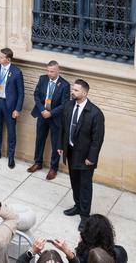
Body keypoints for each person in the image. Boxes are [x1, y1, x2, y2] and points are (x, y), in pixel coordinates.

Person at [58, 79, 105, 224]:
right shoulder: (68, 105)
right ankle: (78, 206)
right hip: (71, 152)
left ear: (85, 93)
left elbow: (97, 139)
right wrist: (61, 146)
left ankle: (85, 216)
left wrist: (91, 158)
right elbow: (63, 127)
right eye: (73, 89)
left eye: (76, 90)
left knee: (85, 186)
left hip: (85, 157)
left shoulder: (95, 113)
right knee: (74, 182)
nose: (73, 92)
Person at [28, 60, 70, 180]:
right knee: (39, 139)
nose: (49, 73)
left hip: (55, 118)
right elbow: (36, 95)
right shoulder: (43, 79)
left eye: (52, 71)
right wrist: (42, 110)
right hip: (42, 115)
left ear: (58, 71)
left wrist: (50, 113)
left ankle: (53, 168)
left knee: (56, 143)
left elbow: (65, 104)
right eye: (48, 71)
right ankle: (38, 162)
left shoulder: (64, 85)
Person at [0, 47, 24, 168]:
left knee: (11, 131)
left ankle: (11, 156)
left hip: (9, 106)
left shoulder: (16, 72)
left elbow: (21, 93)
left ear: (8, 59)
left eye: (1, 57)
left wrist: (17, 109)